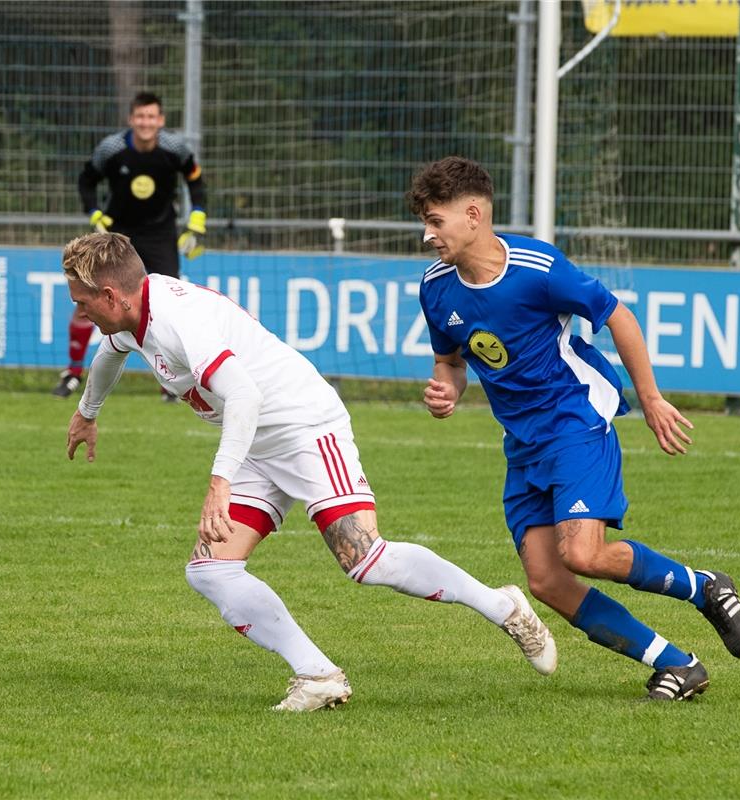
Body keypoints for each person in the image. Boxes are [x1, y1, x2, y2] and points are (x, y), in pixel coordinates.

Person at [62, 232, 557, 711]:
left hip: (304, 427)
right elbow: (112, 351)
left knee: (366, 561)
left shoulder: (179, 318)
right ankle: (318, 675)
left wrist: (220, 481)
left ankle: (503, 606)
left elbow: (244, 395)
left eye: (83, 303)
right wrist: (87, 411)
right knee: (210, 570)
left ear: (110, 294)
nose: (78, 312)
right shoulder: (130, 313)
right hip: (255, 439)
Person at [408, 156, 740, 701]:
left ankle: (702, 586)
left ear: (472, 214)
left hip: (576, 417)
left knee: (583, 554)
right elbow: (450, 362)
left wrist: (652, 398)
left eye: (435, 221)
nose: (427, 235)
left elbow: (617, 315)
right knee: (546, 581)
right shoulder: (435, 289)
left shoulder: (537, 268)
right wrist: (446, 390)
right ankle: (676, 663)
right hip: (522, 443)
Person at [54, 91, 208, 400]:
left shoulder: (174, 148)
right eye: (140, 116)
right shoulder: (111, 149)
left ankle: (172, 383)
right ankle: (72, 374)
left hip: (161, 235)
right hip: (116, 237)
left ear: (160, 120)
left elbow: (195, 179)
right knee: (88, 298)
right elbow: (86, 180)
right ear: (131, 119)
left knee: (169, 310)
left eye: (152, 117)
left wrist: (197, 219)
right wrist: (94, 212)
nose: (146, 122)